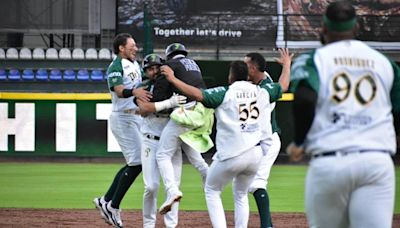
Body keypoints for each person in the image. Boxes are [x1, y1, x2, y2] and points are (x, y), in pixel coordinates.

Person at [286, 1, 400, 228]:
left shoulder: (313, 59)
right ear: (356, 28)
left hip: (331, 161)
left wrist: (299, 141)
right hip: (376, 161)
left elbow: (305, 99)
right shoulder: (385, 63)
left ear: (324, 29)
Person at [161, 59, 285, 228]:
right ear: (247, 75)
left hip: (232, 154)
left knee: (212, 191)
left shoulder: (226, 93)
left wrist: (173, 79)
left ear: (231, 76)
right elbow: (283, 86)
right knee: (240, 194)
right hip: (255, 155)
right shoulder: (261, 91)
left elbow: (197, 95)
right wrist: (287, 65)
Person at [92, 33, 152, 228]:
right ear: (121, 48)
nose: (135, 48)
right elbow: (118, 89)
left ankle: (106, 200)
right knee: (137, 162)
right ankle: (112, 205)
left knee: (136, 162)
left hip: (135, 116)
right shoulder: (116, 65)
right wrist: (135, 92)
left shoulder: (134, 64)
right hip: (123, 117)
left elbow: (143, 82)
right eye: (132, 45)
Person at [154, 43, 209, 215]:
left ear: (169, 56)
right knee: (195, 156)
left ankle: (172, 190)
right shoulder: (193, 64)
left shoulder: (169, 66)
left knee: (162, 154)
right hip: (200, 112)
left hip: (185, 112)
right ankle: (211, 181)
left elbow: (158, 96)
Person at [244, 50, 292, 228]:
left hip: (268, 141)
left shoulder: (264, 89)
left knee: (256, 184)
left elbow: (283, 86)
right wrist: (286, 66)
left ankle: (267, 226)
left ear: (254, 68)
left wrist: (287, 65)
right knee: (245, 184)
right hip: (256, 142)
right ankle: (267, 224)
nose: (243, 66)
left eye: (246, 64)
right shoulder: (260, 79)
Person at [139, 53, 183, 228]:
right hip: (151, 140)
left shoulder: (174, 83)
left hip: (172, 141)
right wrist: (169, 103)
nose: (155, 71)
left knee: (174, 188)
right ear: (145, 72)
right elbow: (143, 110)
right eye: (150, 69)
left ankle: (171, 226)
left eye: (157, 67)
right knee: (151, 186)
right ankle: (149, 224)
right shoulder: (144, 87)